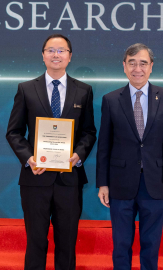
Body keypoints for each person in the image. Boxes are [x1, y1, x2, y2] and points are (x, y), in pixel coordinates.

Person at [6, 34, 97, 270]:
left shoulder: (84, 91)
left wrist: (79, 154)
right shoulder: (26, 89)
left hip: (69, 179)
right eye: (51, 50)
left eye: (61, 51)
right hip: (36, 178)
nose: (56, 55)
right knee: (36, 241)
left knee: (66, 243)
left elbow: (89, 132)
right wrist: (29, 158)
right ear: (43, 55)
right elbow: (14, 132)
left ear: (70, 56)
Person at [96, 43, 163, 270]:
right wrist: (102, 183)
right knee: (121, 243)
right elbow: (104, 145)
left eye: (143, 63)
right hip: (120, 183)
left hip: (156, 182)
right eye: (132, 63)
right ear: (124, 67)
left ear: (151, 67)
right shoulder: (111, 99)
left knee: (151, 244)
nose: (137, 68)